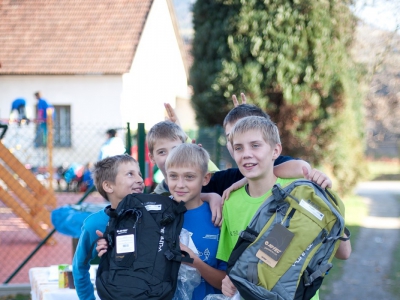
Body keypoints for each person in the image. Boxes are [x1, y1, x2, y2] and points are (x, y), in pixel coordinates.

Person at [217, 116, 351, 298]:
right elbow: (235, 263)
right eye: (238, 148)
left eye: (255, 145)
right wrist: (228, 281)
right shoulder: (230, 202)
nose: (246, 153)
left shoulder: (301, 192)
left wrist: (327, 203)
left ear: (275, 151)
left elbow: (344, 252)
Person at [72, 154, 144, 300]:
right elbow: (79, 266)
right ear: (108, 186)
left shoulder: (154, 215)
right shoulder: (95, 224)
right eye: (130, 174)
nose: (140, 180)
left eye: (139, 174)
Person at [165, 143, 226, 299]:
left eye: (189, 177)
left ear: (205, 178)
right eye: (173, 176)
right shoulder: (156, 215)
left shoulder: (218, 216)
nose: (180, 184)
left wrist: (194, 262)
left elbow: (226, 282)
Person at [147, 120, 222, 225]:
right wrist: (208, 196)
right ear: (152, 158)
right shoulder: (153, 201)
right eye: (162, 152)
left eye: (176, 149)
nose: (170, 156)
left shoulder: (209, 183)